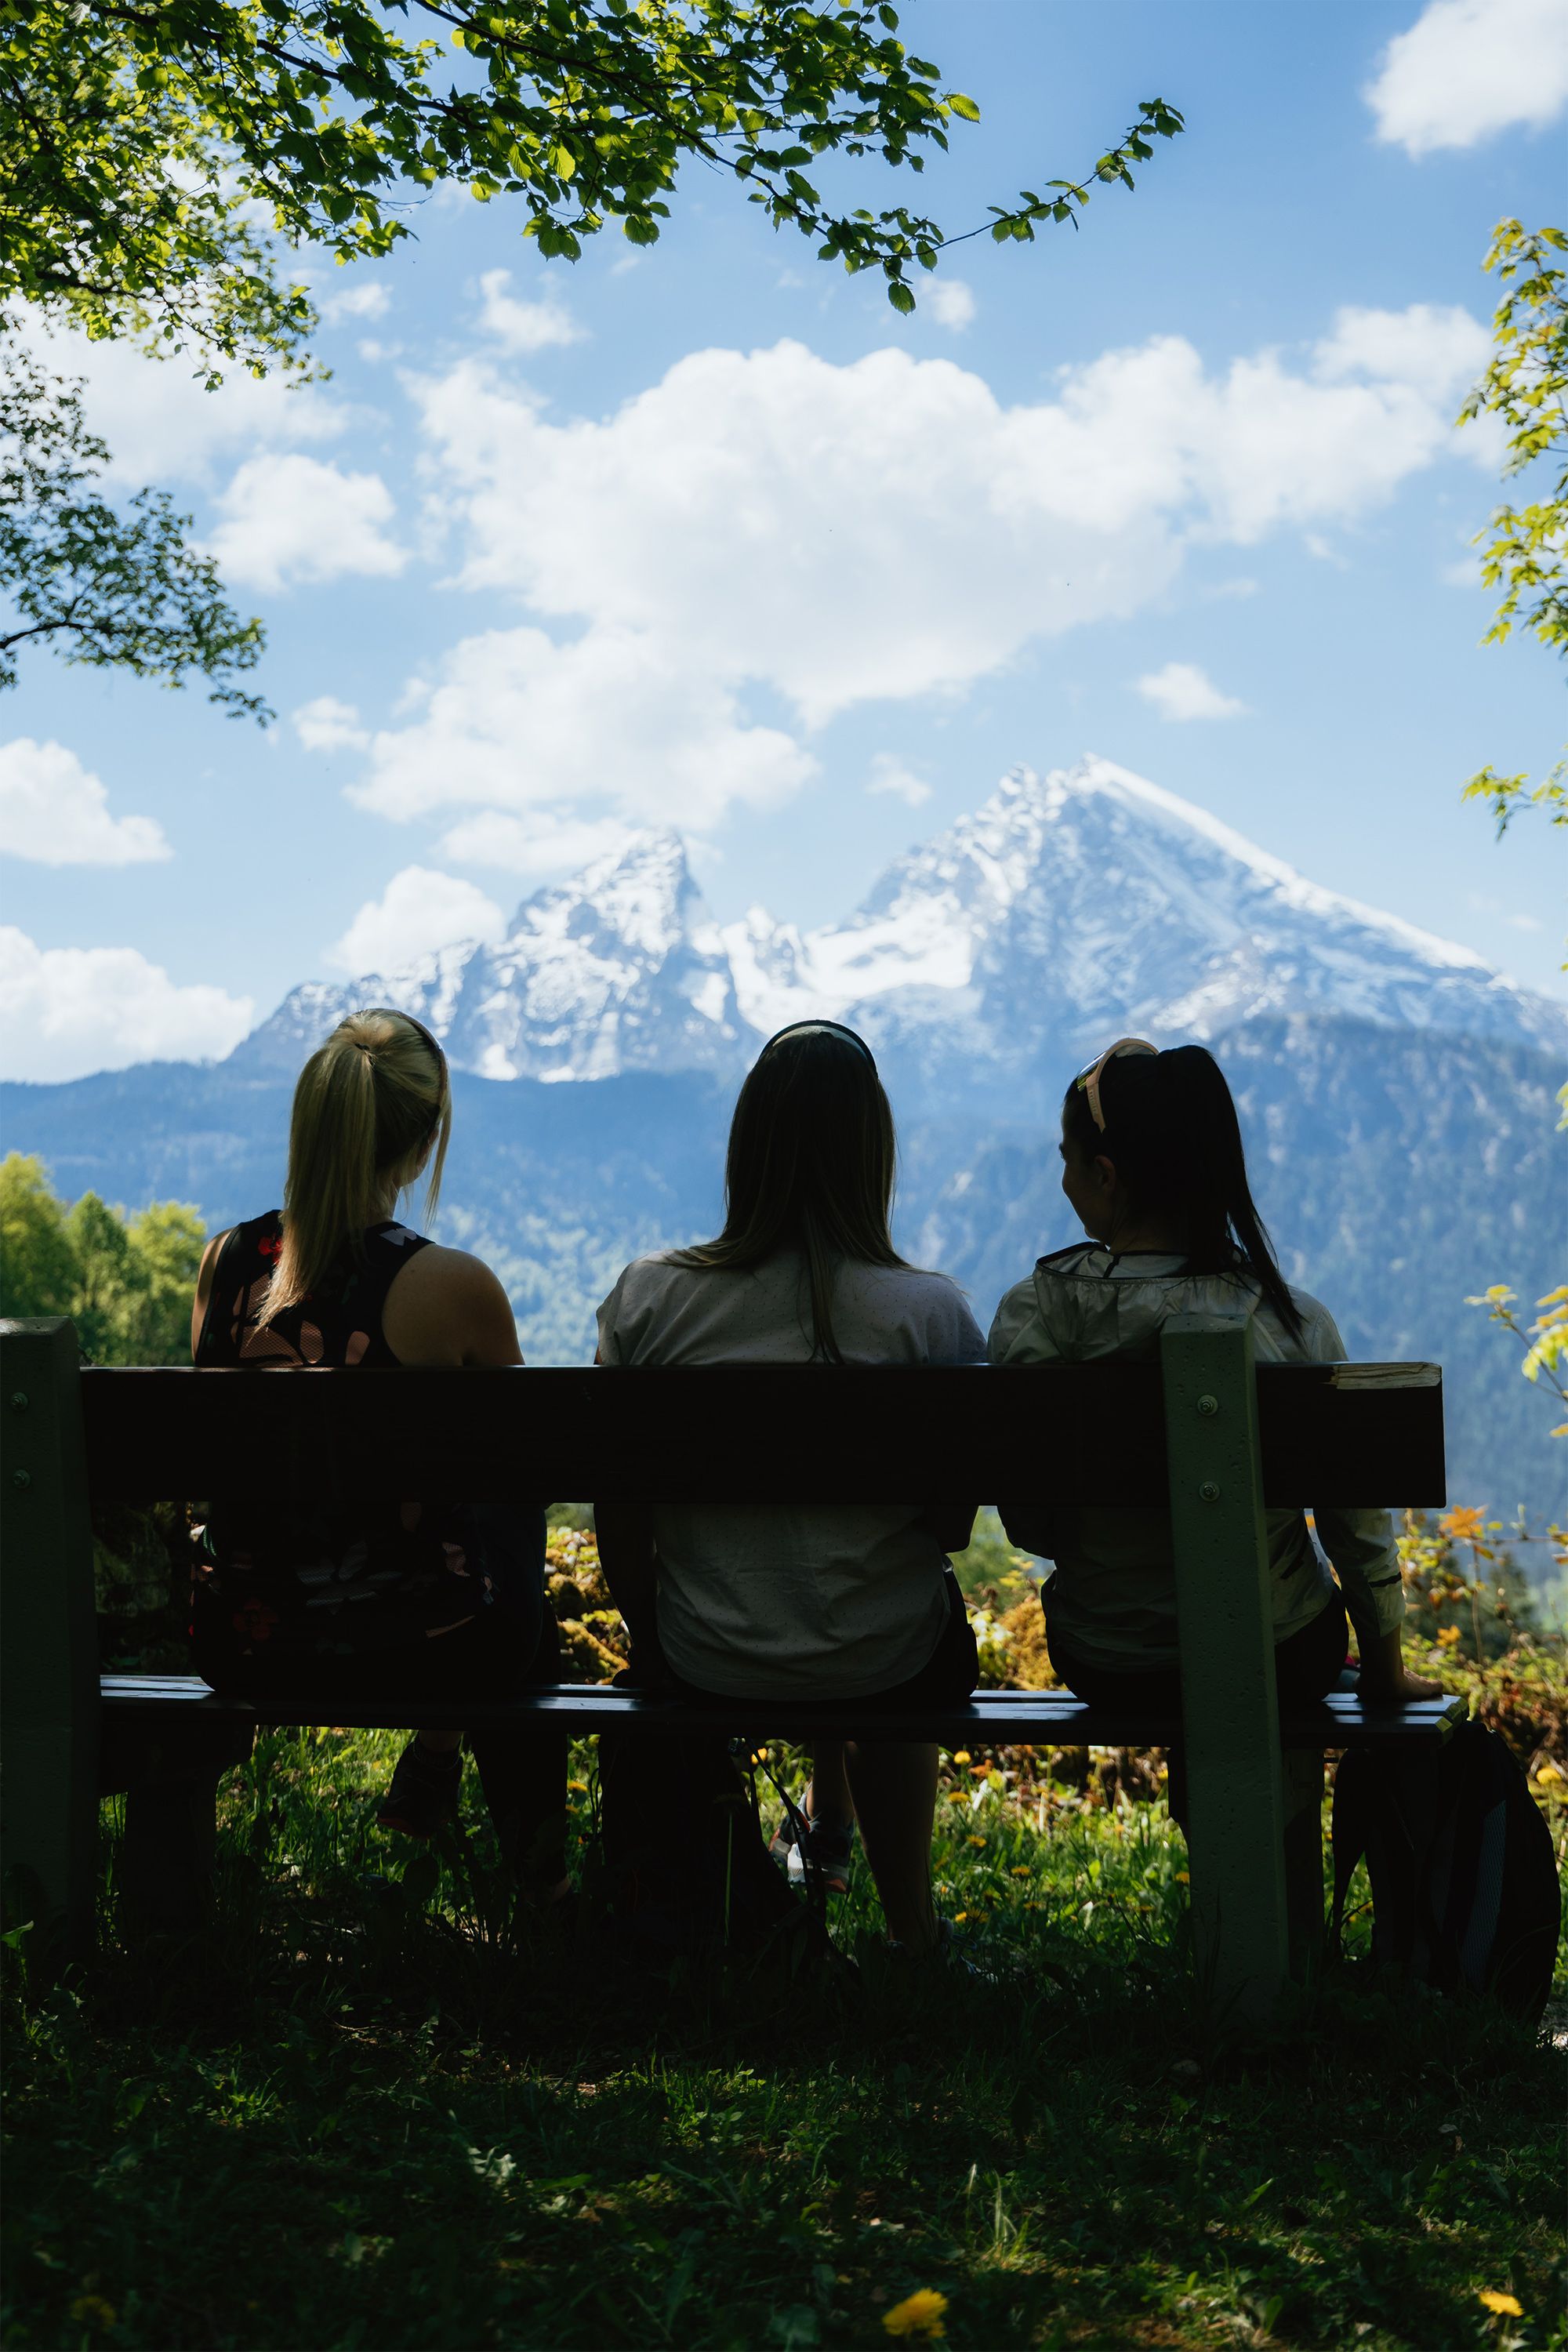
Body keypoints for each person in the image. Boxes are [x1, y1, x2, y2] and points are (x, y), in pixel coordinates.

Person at [593, 1019, 985, 1959]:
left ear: (744, 1147)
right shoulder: (929, 1316)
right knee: (905, 1617)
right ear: (872, 1156)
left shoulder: (648, 1299)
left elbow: (619, 1516)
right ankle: (912, 1933)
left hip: (703, 1651)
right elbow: (948, 1527)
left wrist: (658, 1636)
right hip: (884, 1661)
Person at [989, 1037, 1441, 1805]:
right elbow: (1352, 1525)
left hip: (1102, 1658)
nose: (1061, 1178)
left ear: (1105, 1176)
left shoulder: (1035, 1317)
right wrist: (1385, 1668)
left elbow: (1031, 1527)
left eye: (1066, 1159)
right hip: (1276, 1653)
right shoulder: (1290, 1322)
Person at [189, 1006, 567, 1893]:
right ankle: (539, 1888)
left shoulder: (224, 1264)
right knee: (511, 1538)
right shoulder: (452, 1287)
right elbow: (525, 1475)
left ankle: (447, 1781)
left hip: (245, 1637)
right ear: (425, 1137)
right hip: (428, 1644)